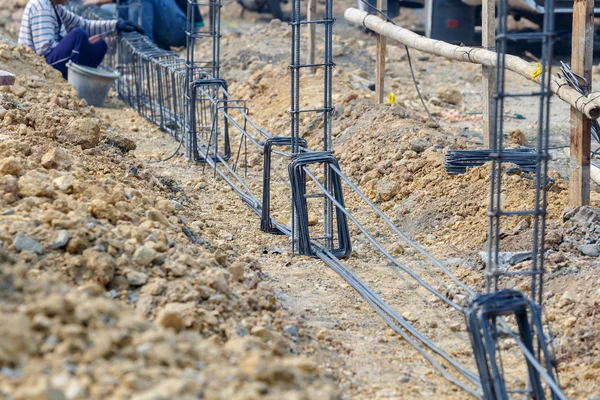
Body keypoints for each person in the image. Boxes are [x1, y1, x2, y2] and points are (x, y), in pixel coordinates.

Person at [18, 0, 144, 79]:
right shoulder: (41, 6)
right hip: (40, 69)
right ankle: (70, 78)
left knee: (99, 45)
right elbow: (43, 51)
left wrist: (116, 25)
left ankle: (80, 80)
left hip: (51, 60)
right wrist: (78, 43)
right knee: (79, 35)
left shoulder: (55, 7)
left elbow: (84, 25)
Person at [83, 0, 204, 50]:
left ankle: (145, 49)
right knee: (111, 9)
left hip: (182, 28)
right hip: (167, 25)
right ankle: (139, 47)